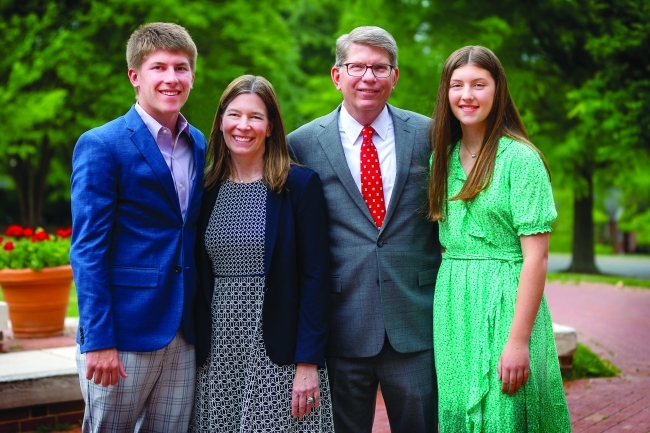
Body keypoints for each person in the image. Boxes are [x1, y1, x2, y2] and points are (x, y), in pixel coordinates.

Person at [288, 26, 441, 433]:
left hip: (415, 322)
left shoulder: (431, 135)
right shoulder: (300, 145)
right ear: (337, 75)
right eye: (357, 67)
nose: (368, 78)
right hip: (341, 325)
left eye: (380, 68)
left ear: (395, 76)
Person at [428, 45, 571, 432]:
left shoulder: (520, 160)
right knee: (457, 411)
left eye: (479, 84)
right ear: (446, 93)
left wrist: (518, 341)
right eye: (457, 85)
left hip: (507, 302)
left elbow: (536, 259)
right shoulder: (440, 158)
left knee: (504, 413)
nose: (467, 95)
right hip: (454, 305)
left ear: (498, 90)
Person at [70, 22, 205, 432]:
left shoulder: (197, 142)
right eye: (159, 67)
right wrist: (98, 340)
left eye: (181, 68)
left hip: (183, 334)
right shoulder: (102, 144)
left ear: (192, 76)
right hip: (123, 334)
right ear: (135, 76)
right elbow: (88, 249)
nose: (171, 78)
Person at [189, 75, 335, 432]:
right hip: (219, 349)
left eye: (255, 117)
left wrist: (307, 363)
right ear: (221, 121)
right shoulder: (205, 188)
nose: (243, 125)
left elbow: (316, 277)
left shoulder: (299, 185)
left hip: (280, 348)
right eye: (234, 115)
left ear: (271, 127)